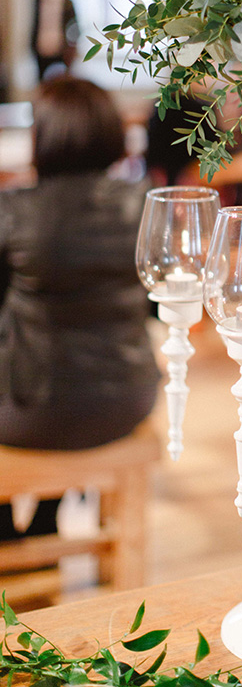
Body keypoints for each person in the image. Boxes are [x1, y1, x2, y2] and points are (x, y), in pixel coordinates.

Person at [0, 77, 161, 536]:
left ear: (42, 136)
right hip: (129, 400)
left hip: (33, 412)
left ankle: (14, 541)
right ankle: (47, 524)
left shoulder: (14, 210)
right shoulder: (142, 201)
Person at [31, 0, 79, 80]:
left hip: (61, 51)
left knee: (63, 83)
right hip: (41, 51)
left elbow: (74, 27)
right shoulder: (36, 2)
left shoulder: (67, 2)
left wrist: (71, 49)